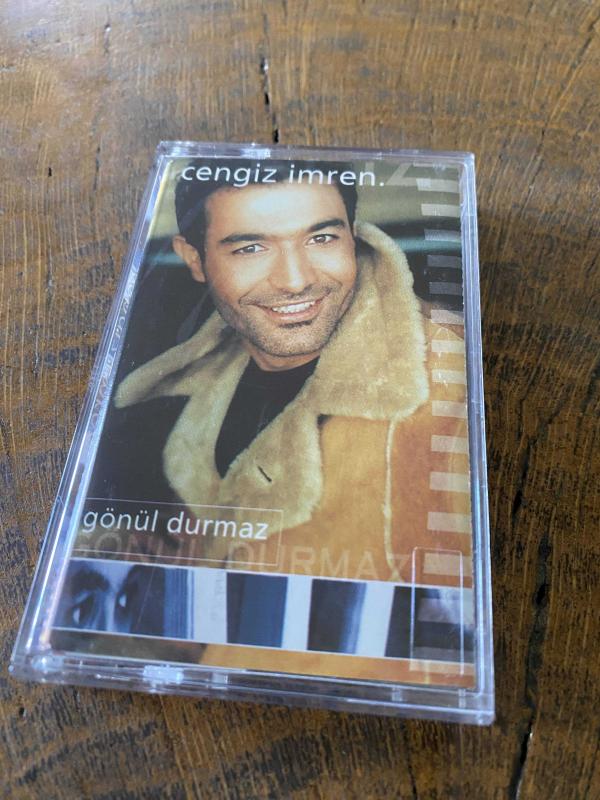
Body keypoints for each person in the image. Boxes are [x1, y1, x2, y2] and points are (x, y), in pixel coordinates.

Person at [95, 159, 472, 681]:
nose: (296, 281)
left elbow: (452, 635)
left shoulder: (453, 381)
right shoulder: (199, 387)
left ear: (353, 235)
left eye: (321, 238)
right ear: (195, 258)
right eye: (251, 248)